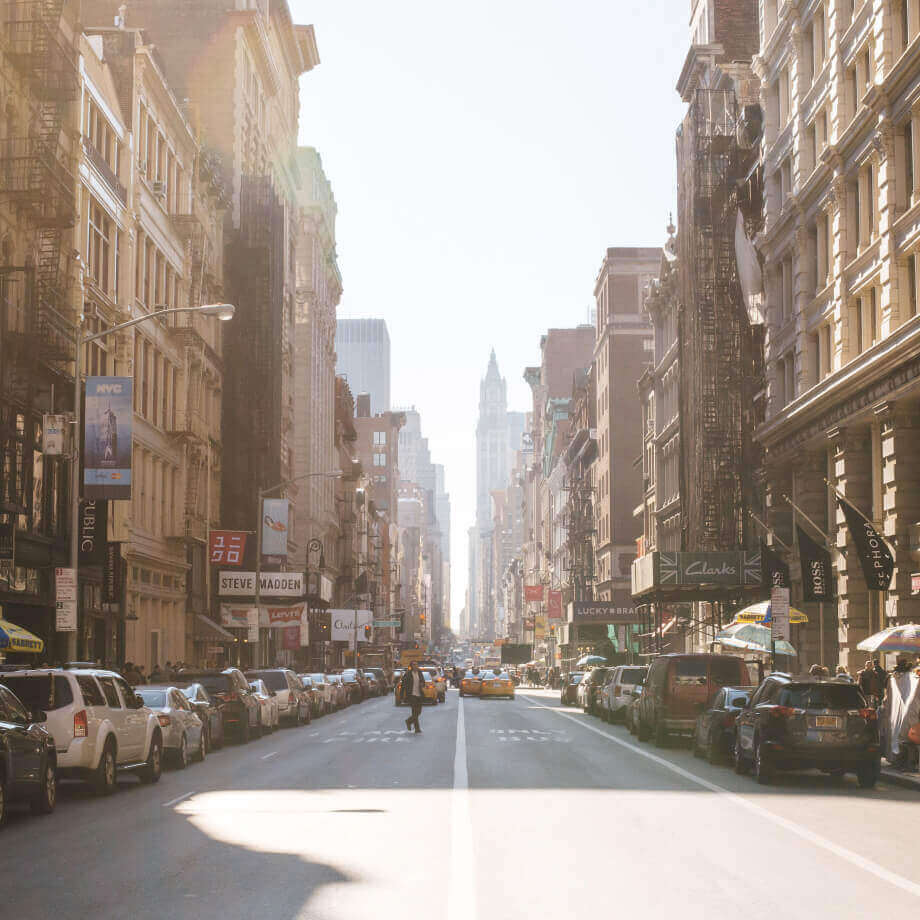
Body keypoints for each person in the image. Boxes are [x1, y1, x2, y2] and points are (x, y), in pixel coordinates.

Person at [400, 661, 425, 734]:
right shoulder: (408, 674)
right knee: (414, 712)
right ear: (411, 666)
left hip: (419, 695)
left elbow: (423, 681)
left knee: (419, 712)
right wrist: (401, 696)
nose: (416, 666)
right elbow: (403, 685)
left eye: (416, 664)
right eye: (414, 665)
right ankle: (417, 729)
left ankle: (408, 721)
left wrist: (422, 684)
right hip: (411, 695)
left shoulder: (419, 673)